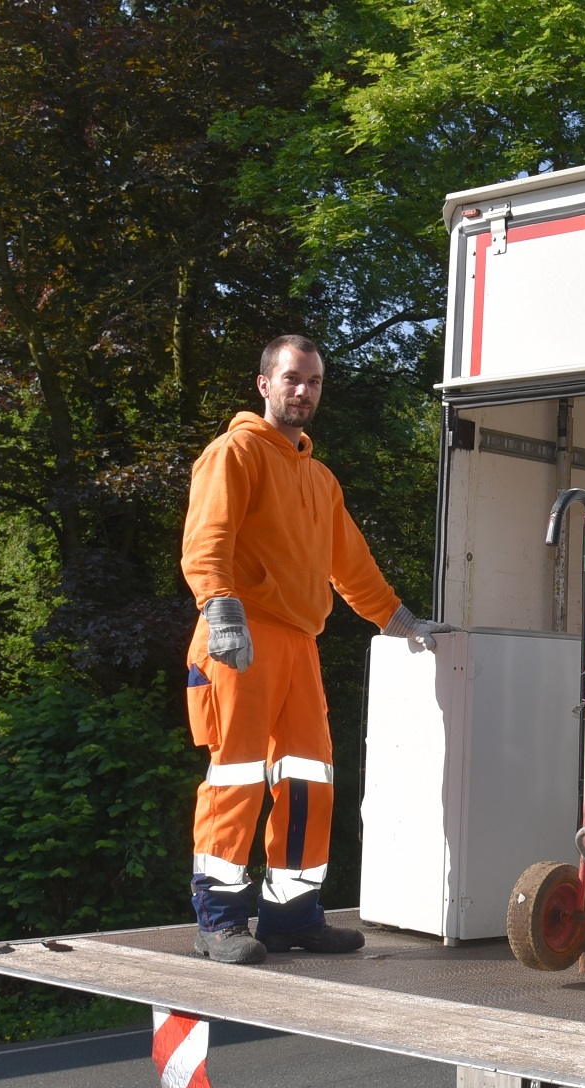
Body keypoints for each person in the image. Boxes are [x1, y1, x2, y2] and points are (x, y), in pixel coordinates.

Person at [179, 335, 449, 965]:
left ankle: (290, 915)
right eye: (293, 378)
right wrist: (222, 611)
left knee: (309, 781)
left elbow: (350, 565)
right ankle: (219, 921)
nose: (304, 391)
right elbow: (207, 537)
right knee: (237, 777)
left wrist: (402, 621)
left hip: (300, 644)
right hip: (238, 640)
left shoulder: (318, 478)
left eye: (315, 382)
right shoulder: (236, 453)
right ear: (264, 385)